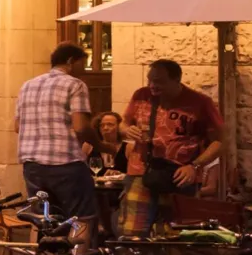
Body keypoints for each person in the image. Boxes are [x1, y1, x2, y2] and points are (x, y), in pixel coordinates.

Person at [119, 59, 225, 236]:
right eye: (150, 80)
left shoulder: (200, 103)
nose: (152, 85)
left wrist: (195, 166)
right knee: (132, 233)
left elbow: (220, 142)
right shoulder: (141, 96)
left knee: (176, 234)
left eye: (159, 81)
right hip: (141, 172)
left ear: (177, 80)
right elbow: (124, 124)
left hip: (181, 176)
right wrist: (127, 130)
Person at [14, 43, 99, 231]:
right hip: (65, 163)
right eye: (82, 64)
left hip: (33, 165)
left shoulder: (28, 85)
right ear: (71, 61)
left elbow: (17, 126)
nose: (84, 69)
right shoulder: (75, 84)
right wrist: (99, 145)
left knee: (44, 220)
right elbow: (80, 126)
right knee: (81, 219)